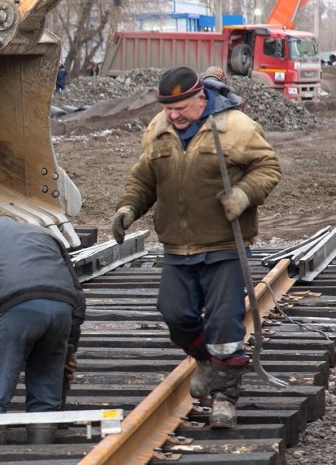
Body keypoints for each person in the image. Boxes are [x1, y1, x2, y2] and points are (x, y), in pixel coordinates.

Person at [110, 66, 281, 428]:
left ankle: (225, 398)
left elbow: (267, 167)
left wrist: (244, 194)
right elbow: (145, 178)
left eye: (181, 108)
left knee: (224, 325)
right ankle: (207, 362)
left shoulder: (235, 128)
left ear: (200, 97)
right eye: (168, 108)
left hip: (223, 245)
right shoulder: (159, 130)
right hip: (176, 247)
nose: (173, 116)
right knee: (175, 314)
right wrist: (128, 208)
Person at [0, 209, 86, 445]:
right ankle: (42, 455)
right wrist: (69, 349)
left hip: (16, 309)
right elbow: (78, 298)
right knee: (46, 395)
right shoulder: (44, 234)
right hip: (62, 309)